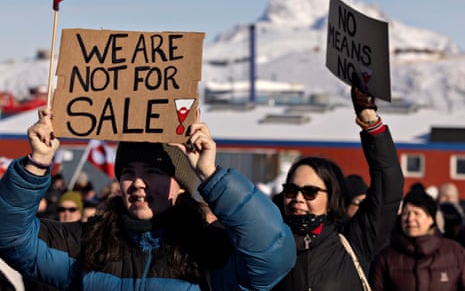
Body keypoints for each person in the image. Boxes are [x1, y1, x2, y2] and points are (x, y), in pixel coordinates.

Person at [0, 108, 296, 290]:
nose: (138, 183)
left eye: (153, 172)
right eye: (128, 172)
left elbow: (272, 254)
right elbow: (10, 239)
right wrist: (36, 164)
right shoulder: (88, 243)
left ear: (181, 185)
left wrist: (211, 174)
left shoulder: (210, 248)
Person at [272, 83, 404, 290]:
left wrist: (369, 121)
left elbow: (388, 188)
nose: (298, 198)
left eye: (309, 192)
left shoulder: (353, 242)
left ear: (331, 200)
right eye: (291, 190)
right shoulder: (265, 245)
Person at [369, 189, 465, 290]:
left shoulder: (456, 253)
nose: (410, 219)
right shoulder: (386, 257)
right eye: (406, 213)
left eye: (416, 213)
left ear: (431, 219)